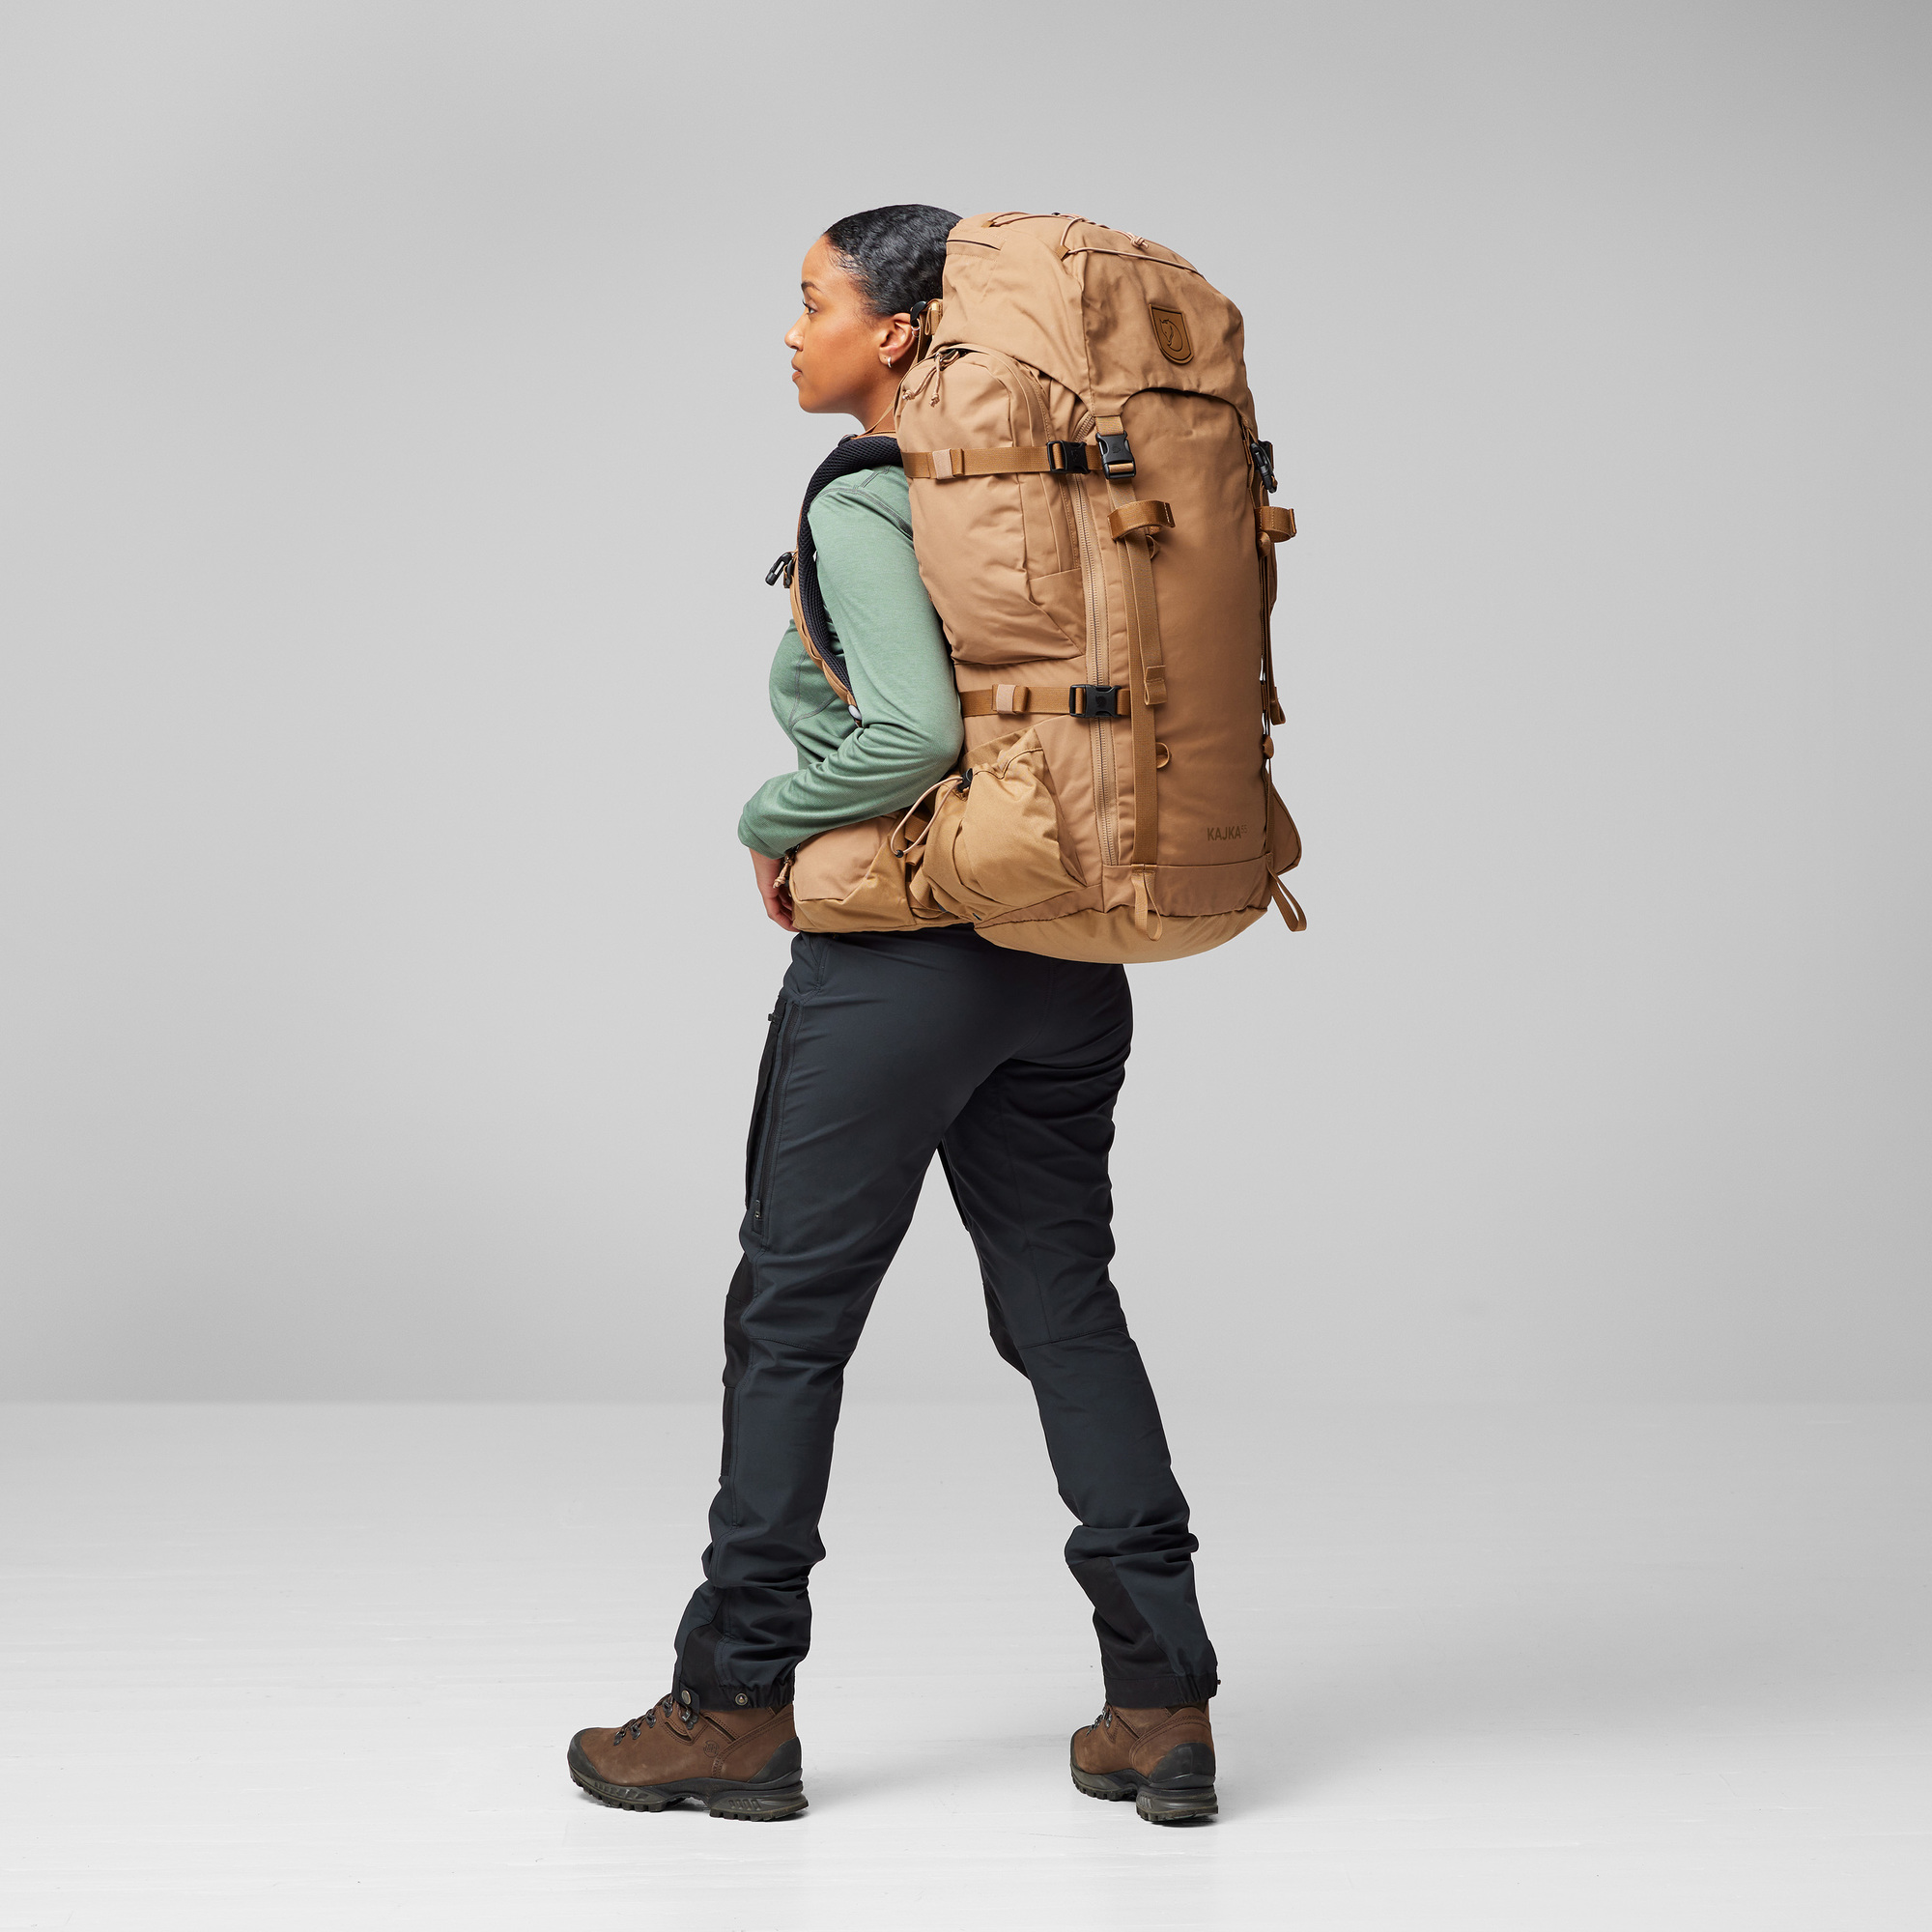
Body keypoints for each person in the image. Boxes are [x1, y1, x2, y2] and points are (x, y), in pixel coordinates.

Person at [567, 206, 1219, 1825]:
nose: (793, 334)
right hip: (1063, 959)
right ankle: (1162, 1704)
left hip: (902, 973)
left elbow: (912, 735)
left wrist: (767, 818)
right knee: (1065, 1308)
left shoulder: (872, 492)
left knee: (791, 1322)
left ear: (906, 331)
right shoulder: (1056, 489)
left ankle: (735, 1708)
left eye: (814, 303)